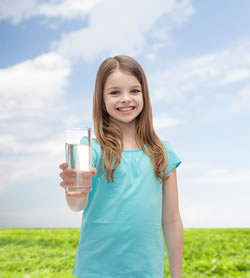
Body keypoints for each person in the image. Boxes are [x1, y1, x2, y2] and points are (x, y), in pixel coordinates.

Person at [59, 55, 183, 278]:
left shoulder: (162, 152)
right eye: (115, 92)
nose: (125, 99)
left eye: (134, 91)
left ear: (145, 94)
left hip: (147, 272)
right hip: (95, 271)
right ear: (102, 99)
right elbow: (77, 205)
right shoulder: (90, 150)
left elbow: (172, 220)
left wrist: (176, 275)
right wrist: (74, 187)